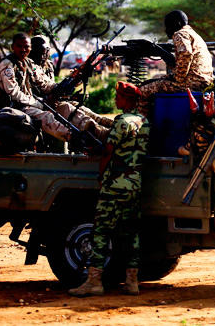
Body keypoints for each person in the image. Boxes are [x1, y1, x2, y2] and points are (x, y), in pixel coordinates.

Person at [68, 81, 150, 297]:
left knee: (102, 231)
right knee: (131, 233)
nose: (115, 100)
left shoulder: (122, 122)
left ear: (127, 100)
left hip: (115, 184)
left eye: (119, 97)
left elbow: (108, 151)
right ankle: (132, 281)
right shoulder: (144, 122)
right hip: (135, 184)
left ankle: (94, 281)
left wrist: (101, 176)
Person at [0, 33, 110, 143]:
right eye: (19, 46)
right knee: (46, 116)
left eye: (26, 47)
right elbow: (14, 93)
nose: (23, 50)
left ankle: (99, 132)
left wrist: (68, 82)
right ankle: (74, 138)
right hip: (15, 106)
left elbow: (44, 82)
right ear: (13, 46)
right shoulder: (7, 65)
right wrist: (41, 103)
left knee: (66, 108)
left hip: (30, 103)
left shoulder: (29, 63)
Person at [139, 10, 213, 100]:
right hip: (202, 82)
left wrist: (178, 78)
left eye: (168, 26)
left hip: (191, 83)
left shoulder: (180, 34)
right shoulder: (194, 35)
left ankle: (143, 114)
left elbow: (186, 53)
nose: (166, 30)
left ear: (177, 24)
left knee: (142, 90)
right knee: (153, 82)